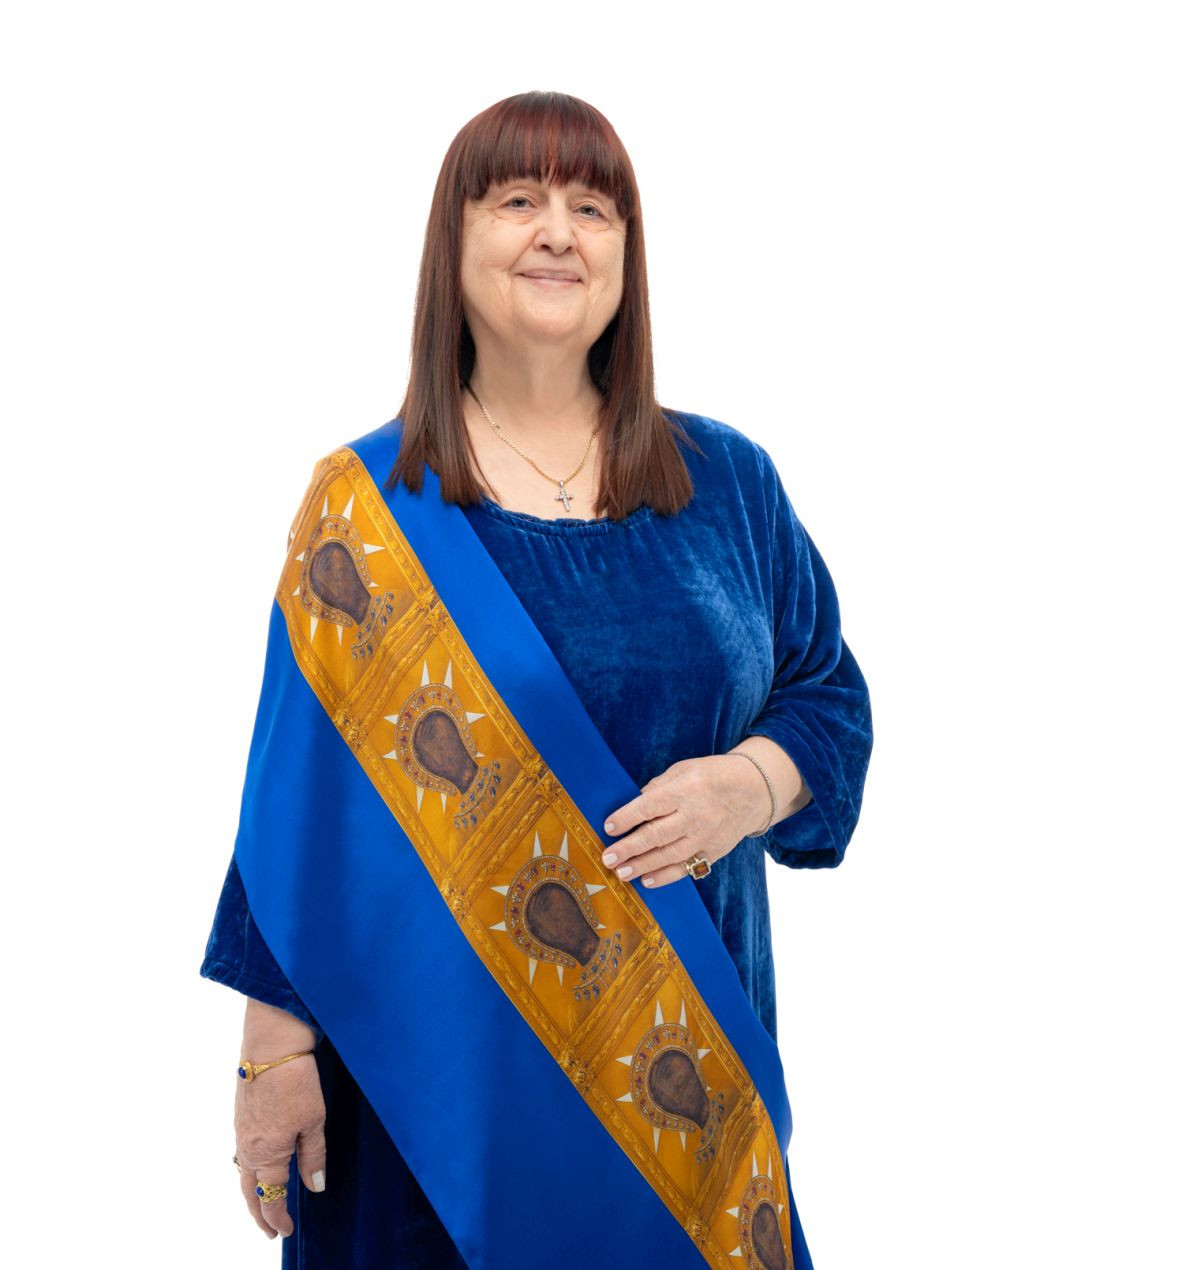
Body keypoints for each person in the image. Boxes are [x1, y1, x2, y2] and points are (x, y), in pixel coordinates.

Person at [201, 90, 873, 1269]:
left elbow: (828, 695)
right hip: (423, 1096)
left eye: (592, 208)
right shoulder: (365, 510)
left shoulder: (727, 484)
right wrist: (273, 1052)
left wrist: (749, 788)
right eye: (518, 200)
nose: (558, 231)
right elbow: (295, 810)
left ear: (626, 255)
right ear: (453, 246)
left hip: (675, 1099)